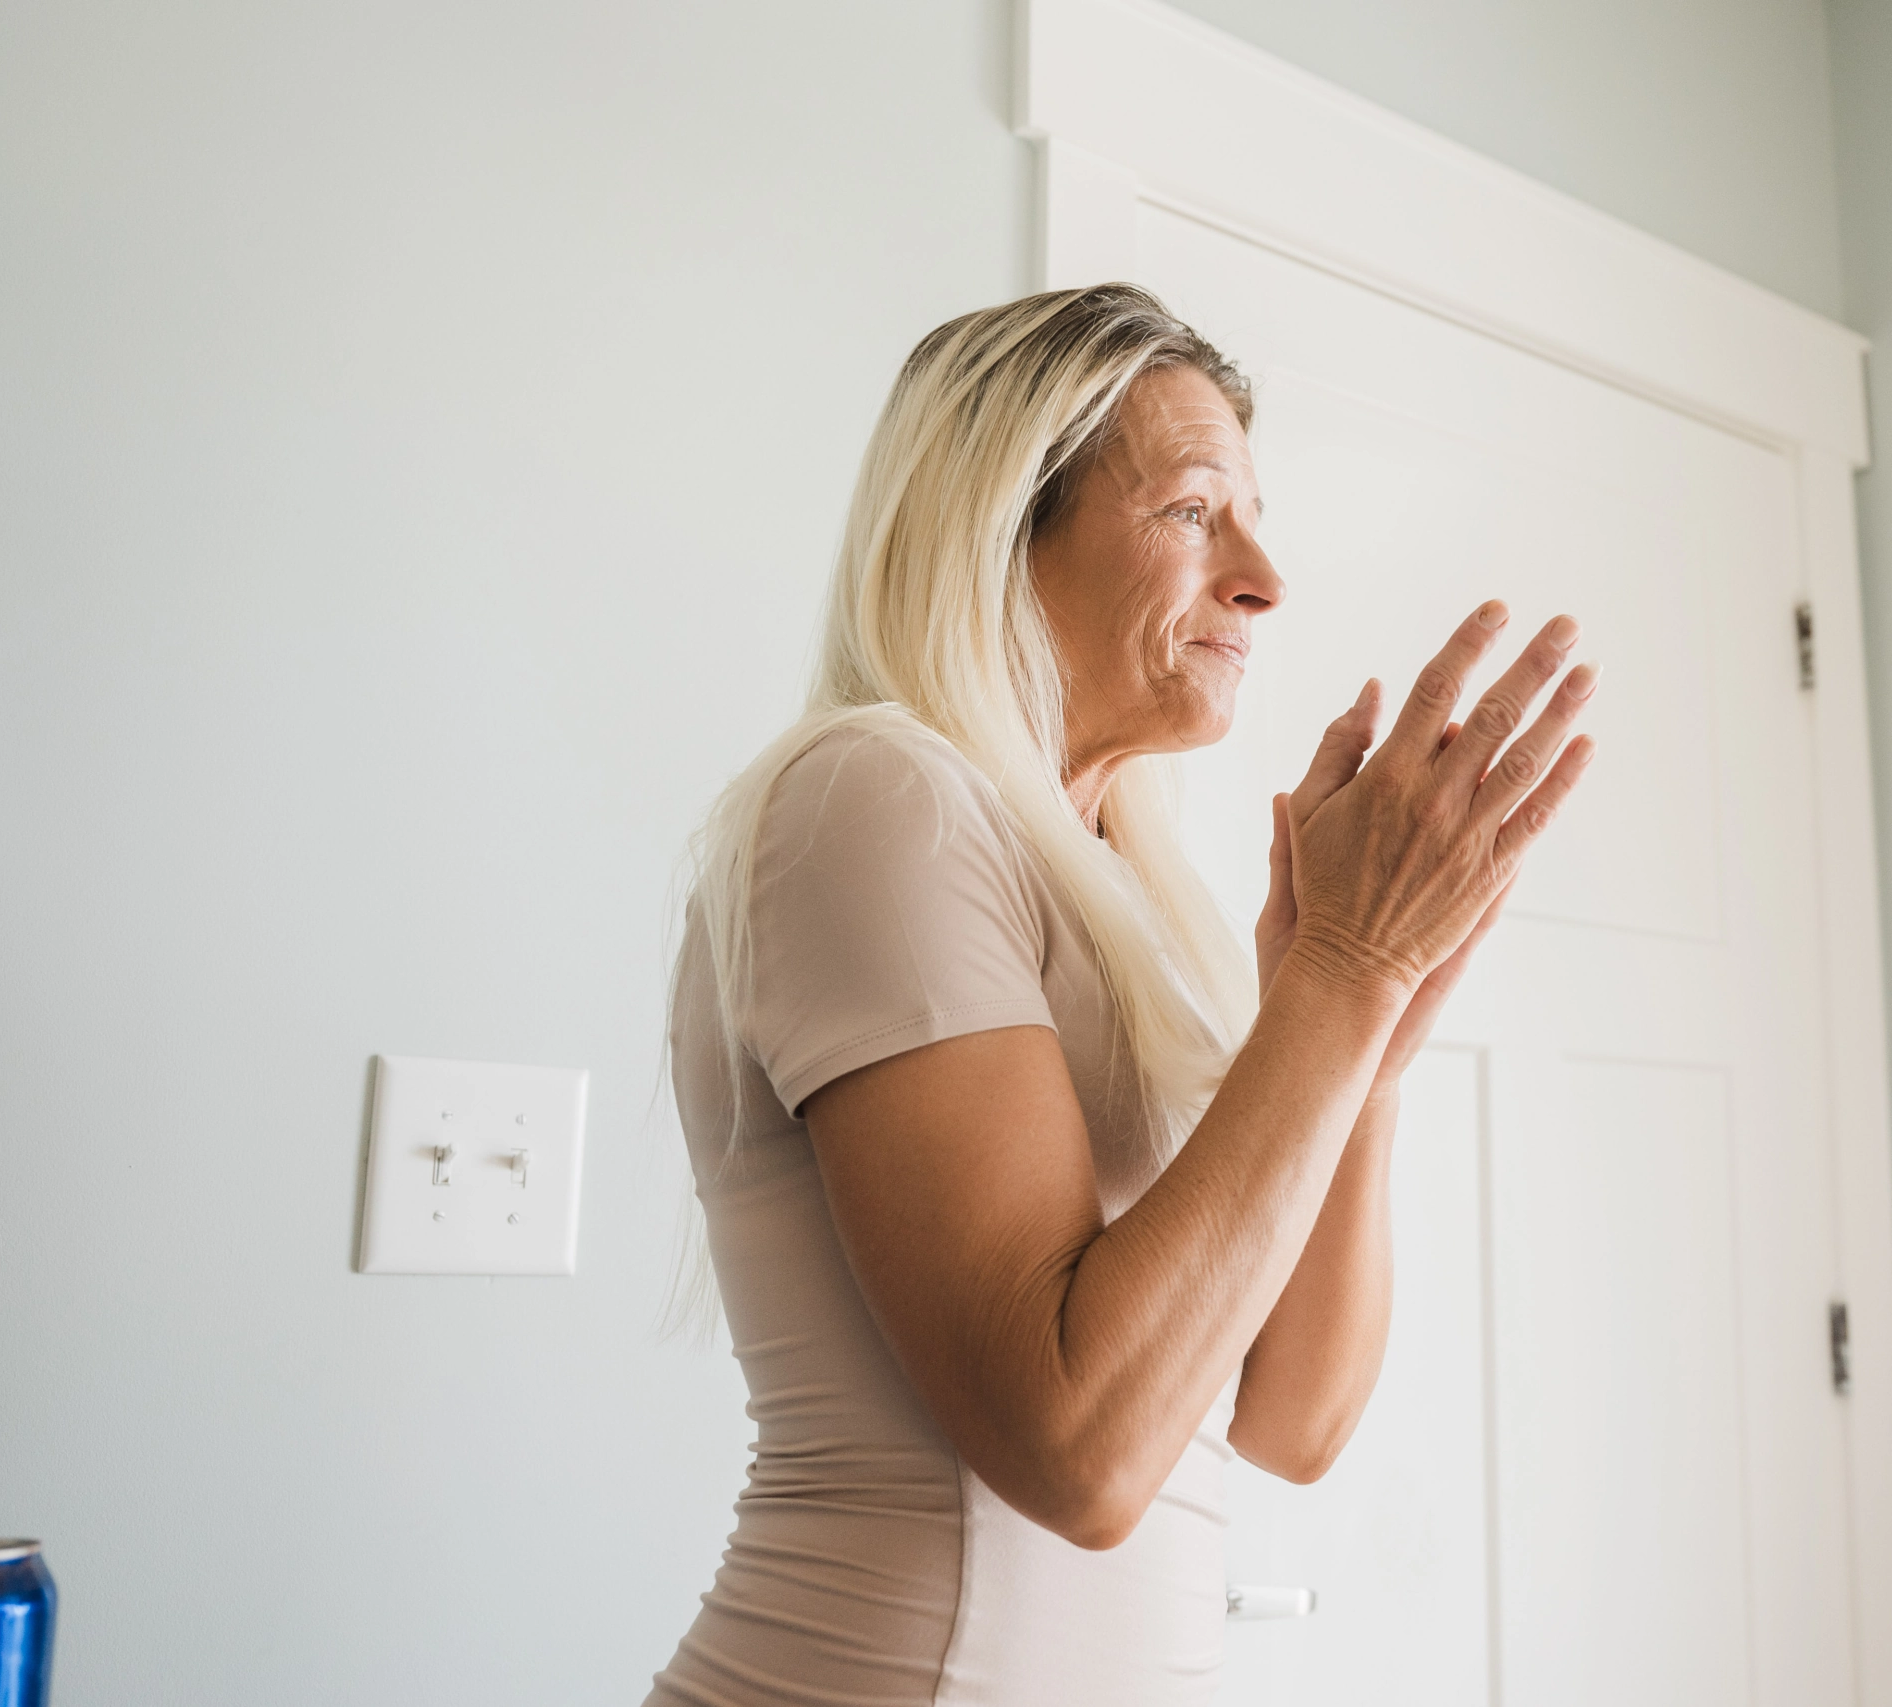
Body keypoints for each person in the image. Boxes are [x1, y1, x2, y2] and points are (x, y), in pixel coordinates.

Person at [648, 283, 1596, 1707]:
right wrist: (1344, 977)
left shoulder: (1135, 904)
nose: (1265, 576)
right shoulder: (876, 795)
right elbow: (1078, 1450)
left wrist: (1365, 1046)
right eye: (1195, 509)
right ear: (997, 531)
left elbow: (1289, 1415)